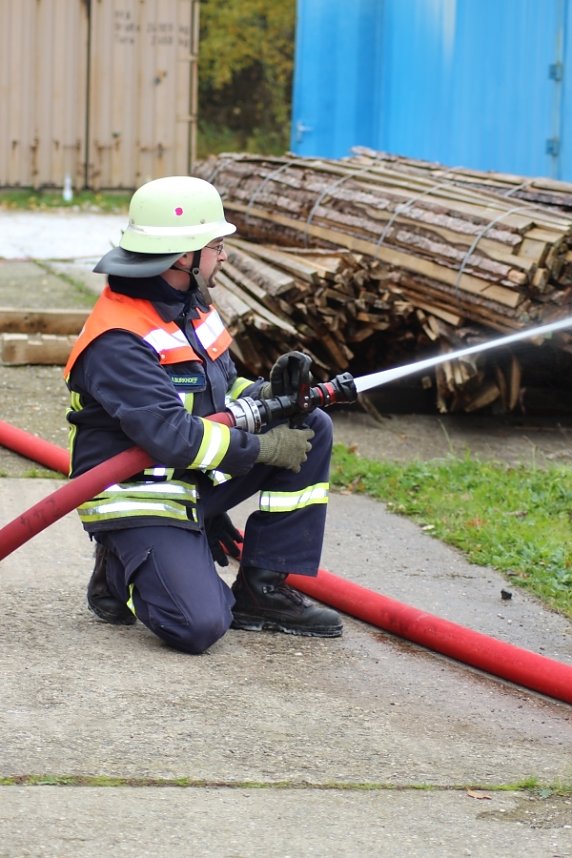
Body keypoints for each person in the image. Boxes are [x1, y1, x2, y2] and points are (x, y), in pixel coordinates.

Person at [64, 175, 342, 654]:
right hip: (139, 497)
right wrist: (261, 448)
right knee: (198, 625)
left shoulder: (189, 307)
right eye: (216, 245)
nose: (224, 255)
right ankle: (119, 565)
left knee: (309, 424)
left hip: (188, 479)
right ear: (181, 257)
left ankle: (262, 589)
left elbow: (218, 395)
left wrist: (269, 393)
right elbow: (171, 435)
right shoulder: (119, 339)